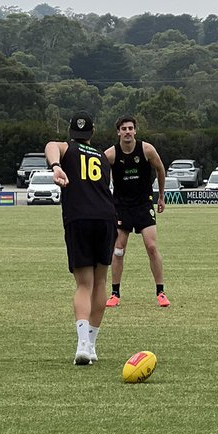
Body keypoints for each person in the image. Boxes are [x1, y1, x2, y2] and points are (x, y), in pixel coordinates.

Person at [45, 112, 116, 365]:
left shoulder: (68, 149)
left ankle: (83, 344)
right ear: (92, 132)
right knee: (100, 281)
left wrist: (56, 166)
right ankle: (92, 345)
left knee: (84, 284)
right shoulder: (102, 157)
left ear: (70, 131)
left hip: (79, 218)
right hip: (106, 218)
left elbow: (51, 145)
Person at [102, 116, 170, 308]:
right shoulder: (110, 154)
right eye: (124, 129)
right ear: (118, 132)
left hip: (143, 205)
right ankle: (115, 294)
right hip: (121, 207)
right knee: (118, 250)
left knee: (151, 246)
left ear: (135, 131)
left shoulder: (147, 150)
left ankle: (160, 292)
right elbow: (99, 178)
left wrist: (161, 196)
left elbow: (160, 169)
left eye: (130, 128)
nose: (128, 132)